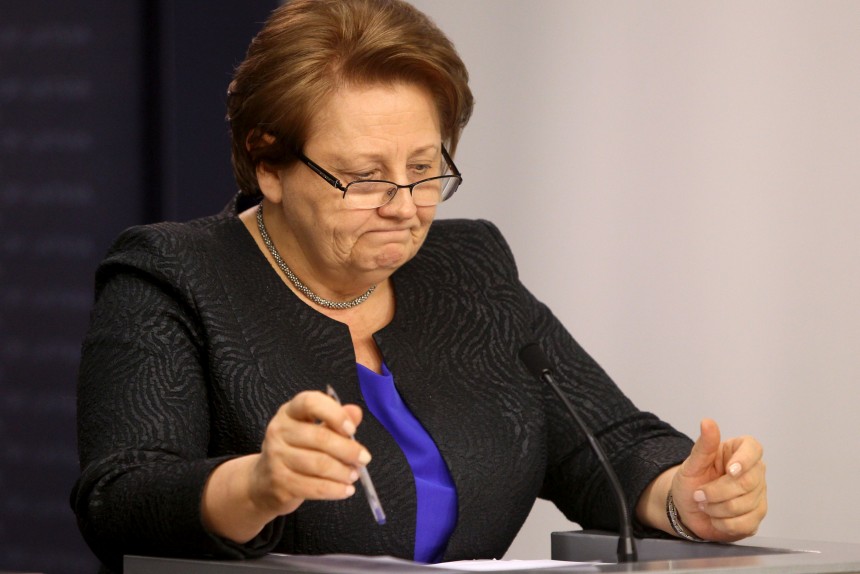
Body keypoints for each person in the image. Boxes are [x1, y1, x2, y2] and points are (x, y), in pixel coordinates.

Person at [71, 0, 767, 572]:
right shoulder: (174, 275)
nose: (405, 206)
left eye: (425, 169)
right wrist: (255, 487)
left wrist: (685, 499)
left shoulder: (469, 269)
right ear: (268, 164)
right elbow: (119, 497)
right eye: (365, 177)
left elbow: (605, 445)